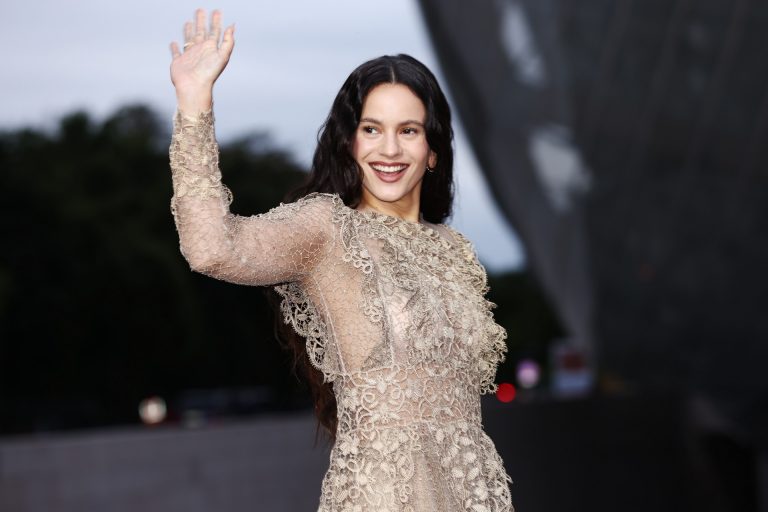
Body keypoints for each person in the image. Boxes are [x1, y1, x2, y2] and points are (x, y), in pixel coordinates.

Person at [169, 9, 513, 511]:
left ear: (433, 149)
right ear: (349, 141)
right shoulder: (327, 228)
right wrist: (194, 102)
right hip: (384, 494)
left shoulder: (452, 249)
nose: (389, 149)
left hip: (471, 493)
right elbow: (210, 248)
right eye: (372, 129)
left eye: (409, 130)